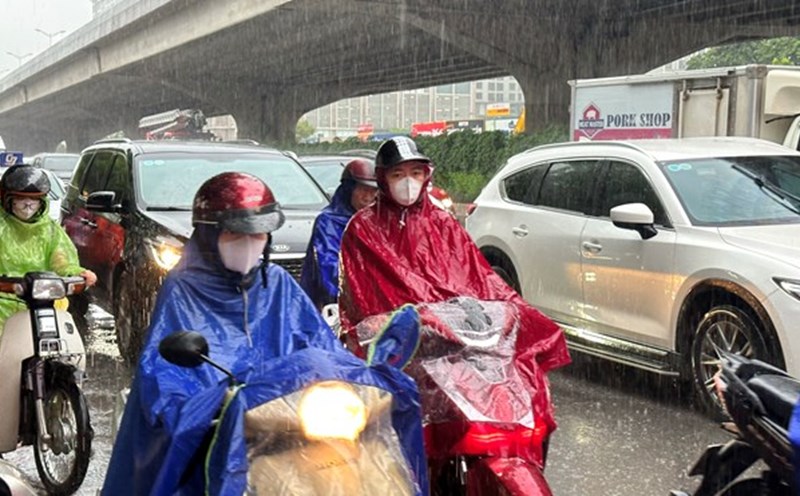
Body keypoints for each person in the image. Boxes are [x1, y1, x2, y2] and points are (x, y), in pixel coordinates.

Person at [102, 172, 344, 495]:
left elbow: (319, 346)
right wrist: (207, 403)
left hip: (282, 427)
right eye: (235, 234)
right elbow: (163, 373)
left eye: (258, 234)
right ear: (208, 234)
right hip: (214, 431)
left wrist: (347, 378)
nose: (249, 243)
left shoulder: (278, 283)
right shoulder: (183, 288)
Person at [337, 136, 571, 444]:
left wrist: (508, 309)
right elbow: (362, 302)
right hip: (405, 349)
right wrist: (405, 322)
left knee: (517, 386)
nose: (408, 182)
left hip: (454, 341)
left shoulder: (443, 223)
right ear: (383, 178)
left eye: (416, 173)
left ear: (426, 176)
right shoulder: (363, 229)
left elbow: (479, 277)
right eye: (398, 174)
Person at [0, 165, 96, 333]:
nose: (28, 205)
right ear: (6, 199)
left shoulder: (50, 231)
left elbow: (62, 262)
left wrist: (78, 273)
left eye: (34, 199)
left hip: (44, 305)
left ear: (43, 201)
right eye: (20, 198)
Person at [300, 158, 378, 309]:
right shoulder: (329, 222)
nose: (368, 197)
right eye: (363, 190)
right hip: (331, 305)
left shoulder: (376, 220)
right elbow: (329, 268)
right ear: (349, 190)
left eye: (373, 191)